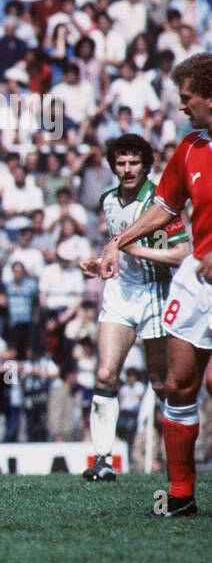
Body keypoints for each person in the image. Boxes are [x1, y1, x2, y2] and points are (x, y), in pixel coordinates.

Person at [98, 53, 212, 518]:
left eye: (187, 99)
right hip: (199, 283)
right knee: (177, 383)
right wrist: (118, 241)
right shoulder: (189, 149)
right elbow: (166, 208)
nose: (181, 107)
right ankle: (180, 494)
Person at [79, 135, 188, 482]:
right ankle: (102, 460)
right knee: (104, 374)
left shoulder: (160, 201)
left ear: (145, 165)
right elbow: (116, 250)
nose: (127, 170)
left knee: (160, 383)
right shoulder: (108, 200)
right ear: (113, 166)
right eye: (121, 163)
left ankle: (177, 462)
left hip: (155, 293)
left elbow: (183, 254)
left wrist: (141, 253)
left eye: (134, 163)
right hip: (120, 293)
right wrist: (101, 263)